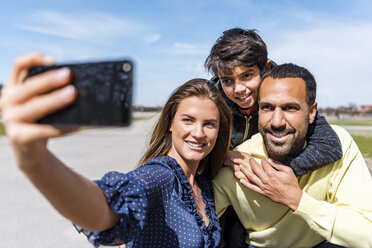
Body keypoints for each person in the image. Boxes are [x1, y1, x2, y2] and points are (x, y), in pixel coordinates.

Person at [0, 53, 233, 248]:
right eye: (188, 120)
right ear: (171, 123)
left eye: (209, 124)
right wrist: (37, 163)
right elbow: (104, 210)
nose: (199, 133)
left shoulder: (203, 186)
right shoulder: (159, 177)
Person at [205, 28, 343, 247]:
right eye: (227, 80)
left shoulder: (285, 86)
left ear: (266, 68)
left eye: (247, 75)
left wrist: (269, 174)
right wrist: (222, 156)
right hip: (225, 195)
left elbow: (330, 145)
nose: (238, 89)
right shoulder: (211, 100)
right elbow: (191, 149)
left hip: (271, 200)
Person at [213, 63, 372, 248]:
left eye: (290, 108)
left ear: (312, 112)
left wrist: (296, 199)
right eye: (267, 107)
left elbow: (367, 232)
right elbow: (195, 226)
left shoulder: (339, 142)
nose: (277, 122)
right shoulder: (237, 164)